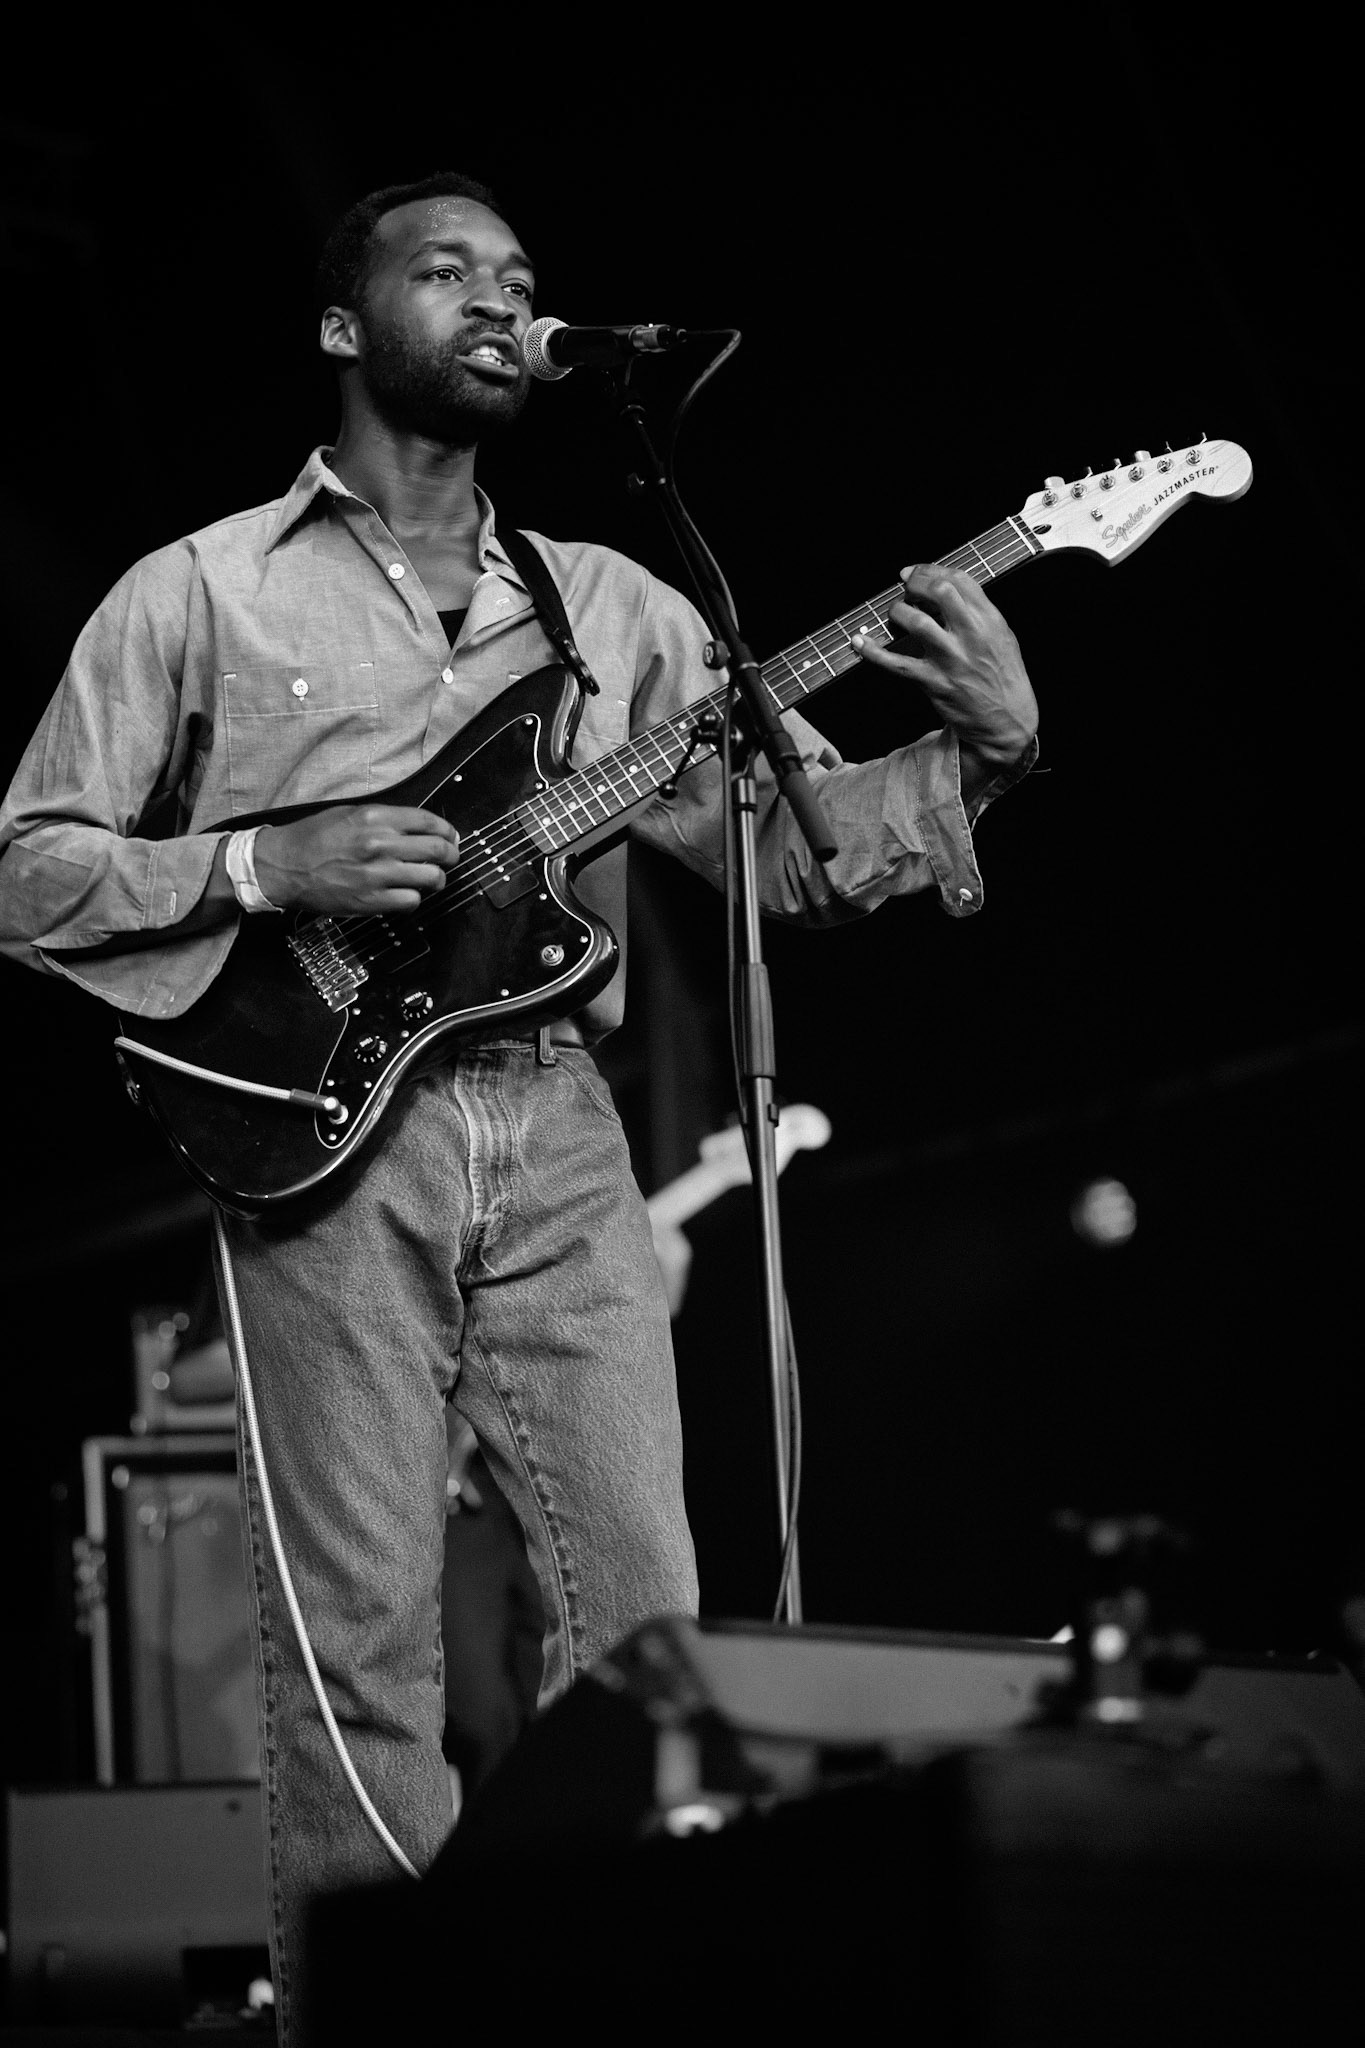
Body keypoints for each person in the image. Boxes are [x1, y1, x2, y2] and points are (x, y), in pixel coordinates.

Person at [0, 170, 1038, 2042]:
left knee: (644, 1605)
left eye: (522, 278)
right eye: (447, 270)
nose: (500, 299)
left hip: (556, 1122)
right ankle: (385, 2026)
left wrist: (990, 745)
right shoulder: (200, 591)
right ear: (343, 327)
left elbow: (809, 864)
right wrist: (264, 862)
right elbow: (34, 872)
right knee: (361, 1644)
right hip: (322, 1141)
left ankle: (636, 1993)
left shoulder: (623, 607)